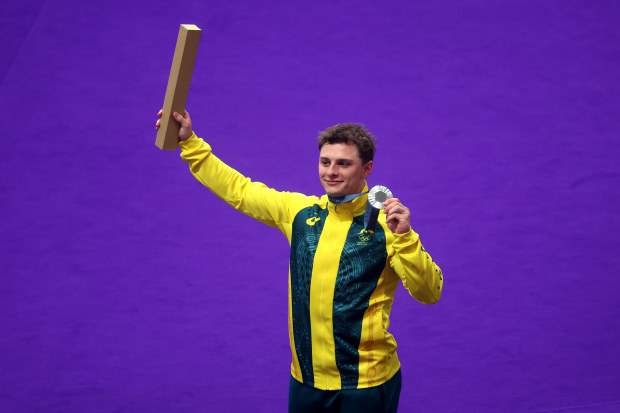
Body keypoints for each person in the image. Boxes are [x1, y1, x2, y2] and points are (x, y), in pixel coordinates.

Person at [156, 110, 443, 413]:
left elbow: (429, 292)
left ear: (366, 168)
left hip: (366, 385)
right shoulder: (301, 213)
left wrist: (406, 238)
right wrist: (189, 143)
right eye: (325, 162)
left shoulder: (390, 227)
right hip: (306, 381)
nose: (330, 171)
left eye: (343, 163)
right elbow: (240, 190)